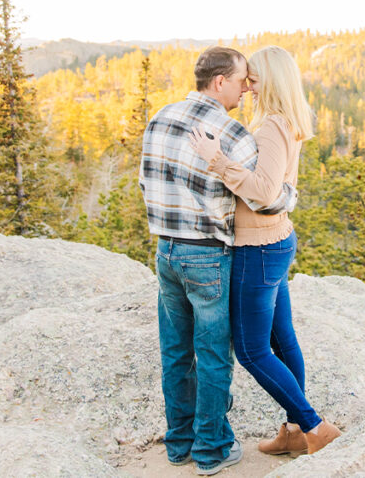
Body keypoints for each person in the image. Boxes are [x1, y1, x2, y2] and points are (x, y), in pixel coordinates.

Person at [139, 46, 296, 476]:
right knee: (212, 354)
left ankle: (178, 445)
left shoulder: (160, 118)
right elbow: (264, 200)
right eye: (243, 79)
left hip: (166, 251)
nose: (248, 88)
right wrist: (290, 196)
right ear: (220, 81)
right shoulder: (232, 133)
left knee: (175, 351)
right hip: (207, 255)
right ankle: (210, 451)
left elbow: (144, 180)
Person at [190, 45, 342, 457]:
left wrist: (215, 159)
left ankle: (313, 425)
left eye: (253, 78)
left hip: (257, 247)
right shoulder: (285, 120)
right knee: (282, 338)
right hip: (275, 240)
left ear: (269, 80)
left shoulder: (273, 126)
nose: (249, 86)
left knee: (253, 351)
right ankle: (294, 431)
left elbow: (262, 192)